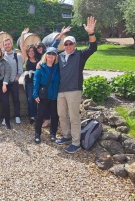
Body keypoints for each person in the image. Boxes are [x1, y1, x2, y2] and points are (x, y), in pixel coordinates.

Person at [56, 16, 97, 153]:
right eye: (66, 44)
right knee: (62, 115)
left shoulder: (80, 55)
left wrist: (90, 33)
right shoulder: (60, 56)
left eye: (70, 44)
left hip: (74, 90)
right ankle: (67, 136)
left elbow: (93, 47)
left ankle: (76, 142)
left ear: (75, 45)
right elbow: (48, 51)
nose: (68, 46)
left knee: (74, 117)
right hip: (61, 90)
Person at [33, 47, 60, 143]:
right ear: (46, 55)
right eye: (49, 54)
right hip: (43, 95)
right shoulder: (41, 67)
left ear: (55, 56)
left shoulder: (57, 67)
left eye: (53, 54)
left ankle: (53, 133)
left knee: (54, 115)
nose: (51, 56)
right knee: (40, 115)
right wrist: (35, 94)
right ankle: (37, 134)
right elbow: (36, 81)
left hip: (54, 95)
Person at [20, 28, 42, 125]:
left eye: (32, 51)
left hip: (37, 81)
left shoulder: (39, 58)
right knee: (30, 99)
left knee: (38, 99)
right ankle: (32, 116)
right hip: (28, 82)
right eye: (29, 51)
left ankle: (39, 115)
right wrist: (22, 35)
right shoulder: (26, 58)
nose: (31, 53)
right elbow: (22, 46)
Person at [2, 38, 24, 124]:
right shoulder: (2, 55)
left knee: (16, 99)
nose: (7, 46)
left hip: (14, 81)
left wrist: (17, 77)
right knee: (5, 101)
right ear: (3, 46)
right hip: (5, 83)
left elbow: (20, 68)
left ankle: (17, 116)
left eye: (8, 44)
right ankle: (5, 117)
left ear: (11, 44)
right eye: (5, 44)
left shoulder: (17, 56)